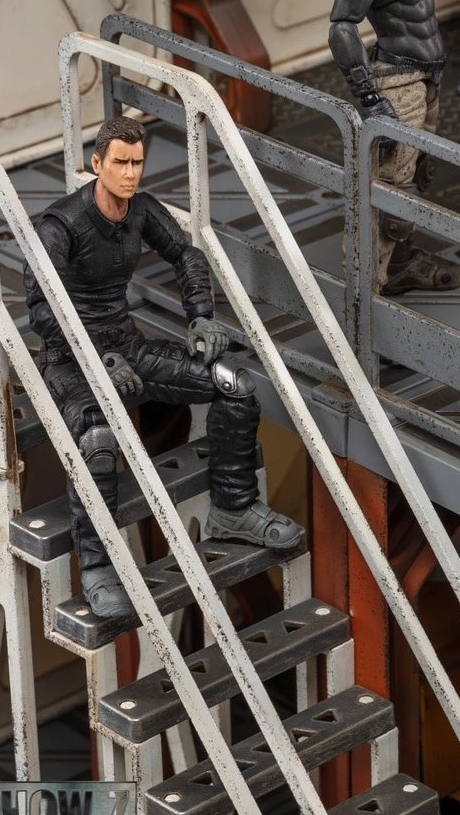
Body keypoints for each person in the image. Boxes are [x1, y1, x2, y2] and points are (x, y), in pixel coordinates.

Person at [24, 116, 300, 619]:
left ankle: (233, 509)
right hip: (71, 361)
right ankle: (98, 566)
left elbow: (186, 255)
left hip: (127, 347)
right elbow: (43, 308)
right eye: (120, 163)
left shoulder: (140, 209)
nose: (130, 173)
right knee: (98, 440)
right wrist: (95, 359)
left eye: (137, 163)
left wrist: (200, 316)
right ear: (97, 163)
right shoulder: (59, 225)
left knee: (235, 385)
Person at [329, 0, 460, 294]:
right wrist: (370, 100)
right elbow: (342, 26)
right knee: (385, 200)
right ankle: (362, 308)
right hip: (398, 81)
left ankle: (401, 266)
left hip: (428, 76)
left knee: (416, 176)